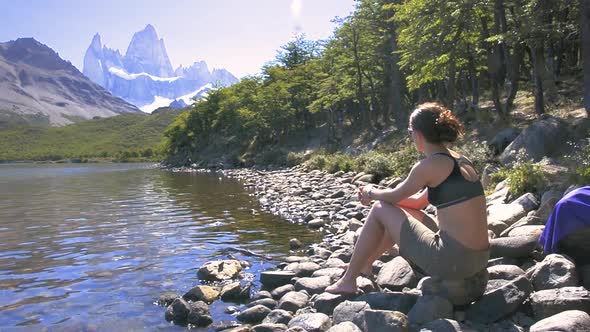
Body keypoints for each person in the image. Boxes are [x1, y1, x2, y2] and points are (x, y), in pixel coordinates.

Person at [326, 102, 490, 294]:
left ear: (419, 135)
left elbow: (394, 196)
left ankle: (348, 281)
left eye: (410, 131)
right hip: (478, 260)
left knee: (380, 208)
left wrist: (371, 193)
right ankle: (365, 264)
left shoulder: (429, 166)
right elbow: (418, 203)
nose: (411, 136)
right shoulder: (459, 160)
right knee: (400, 211)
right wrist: (380, 195)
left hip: (453, 263)